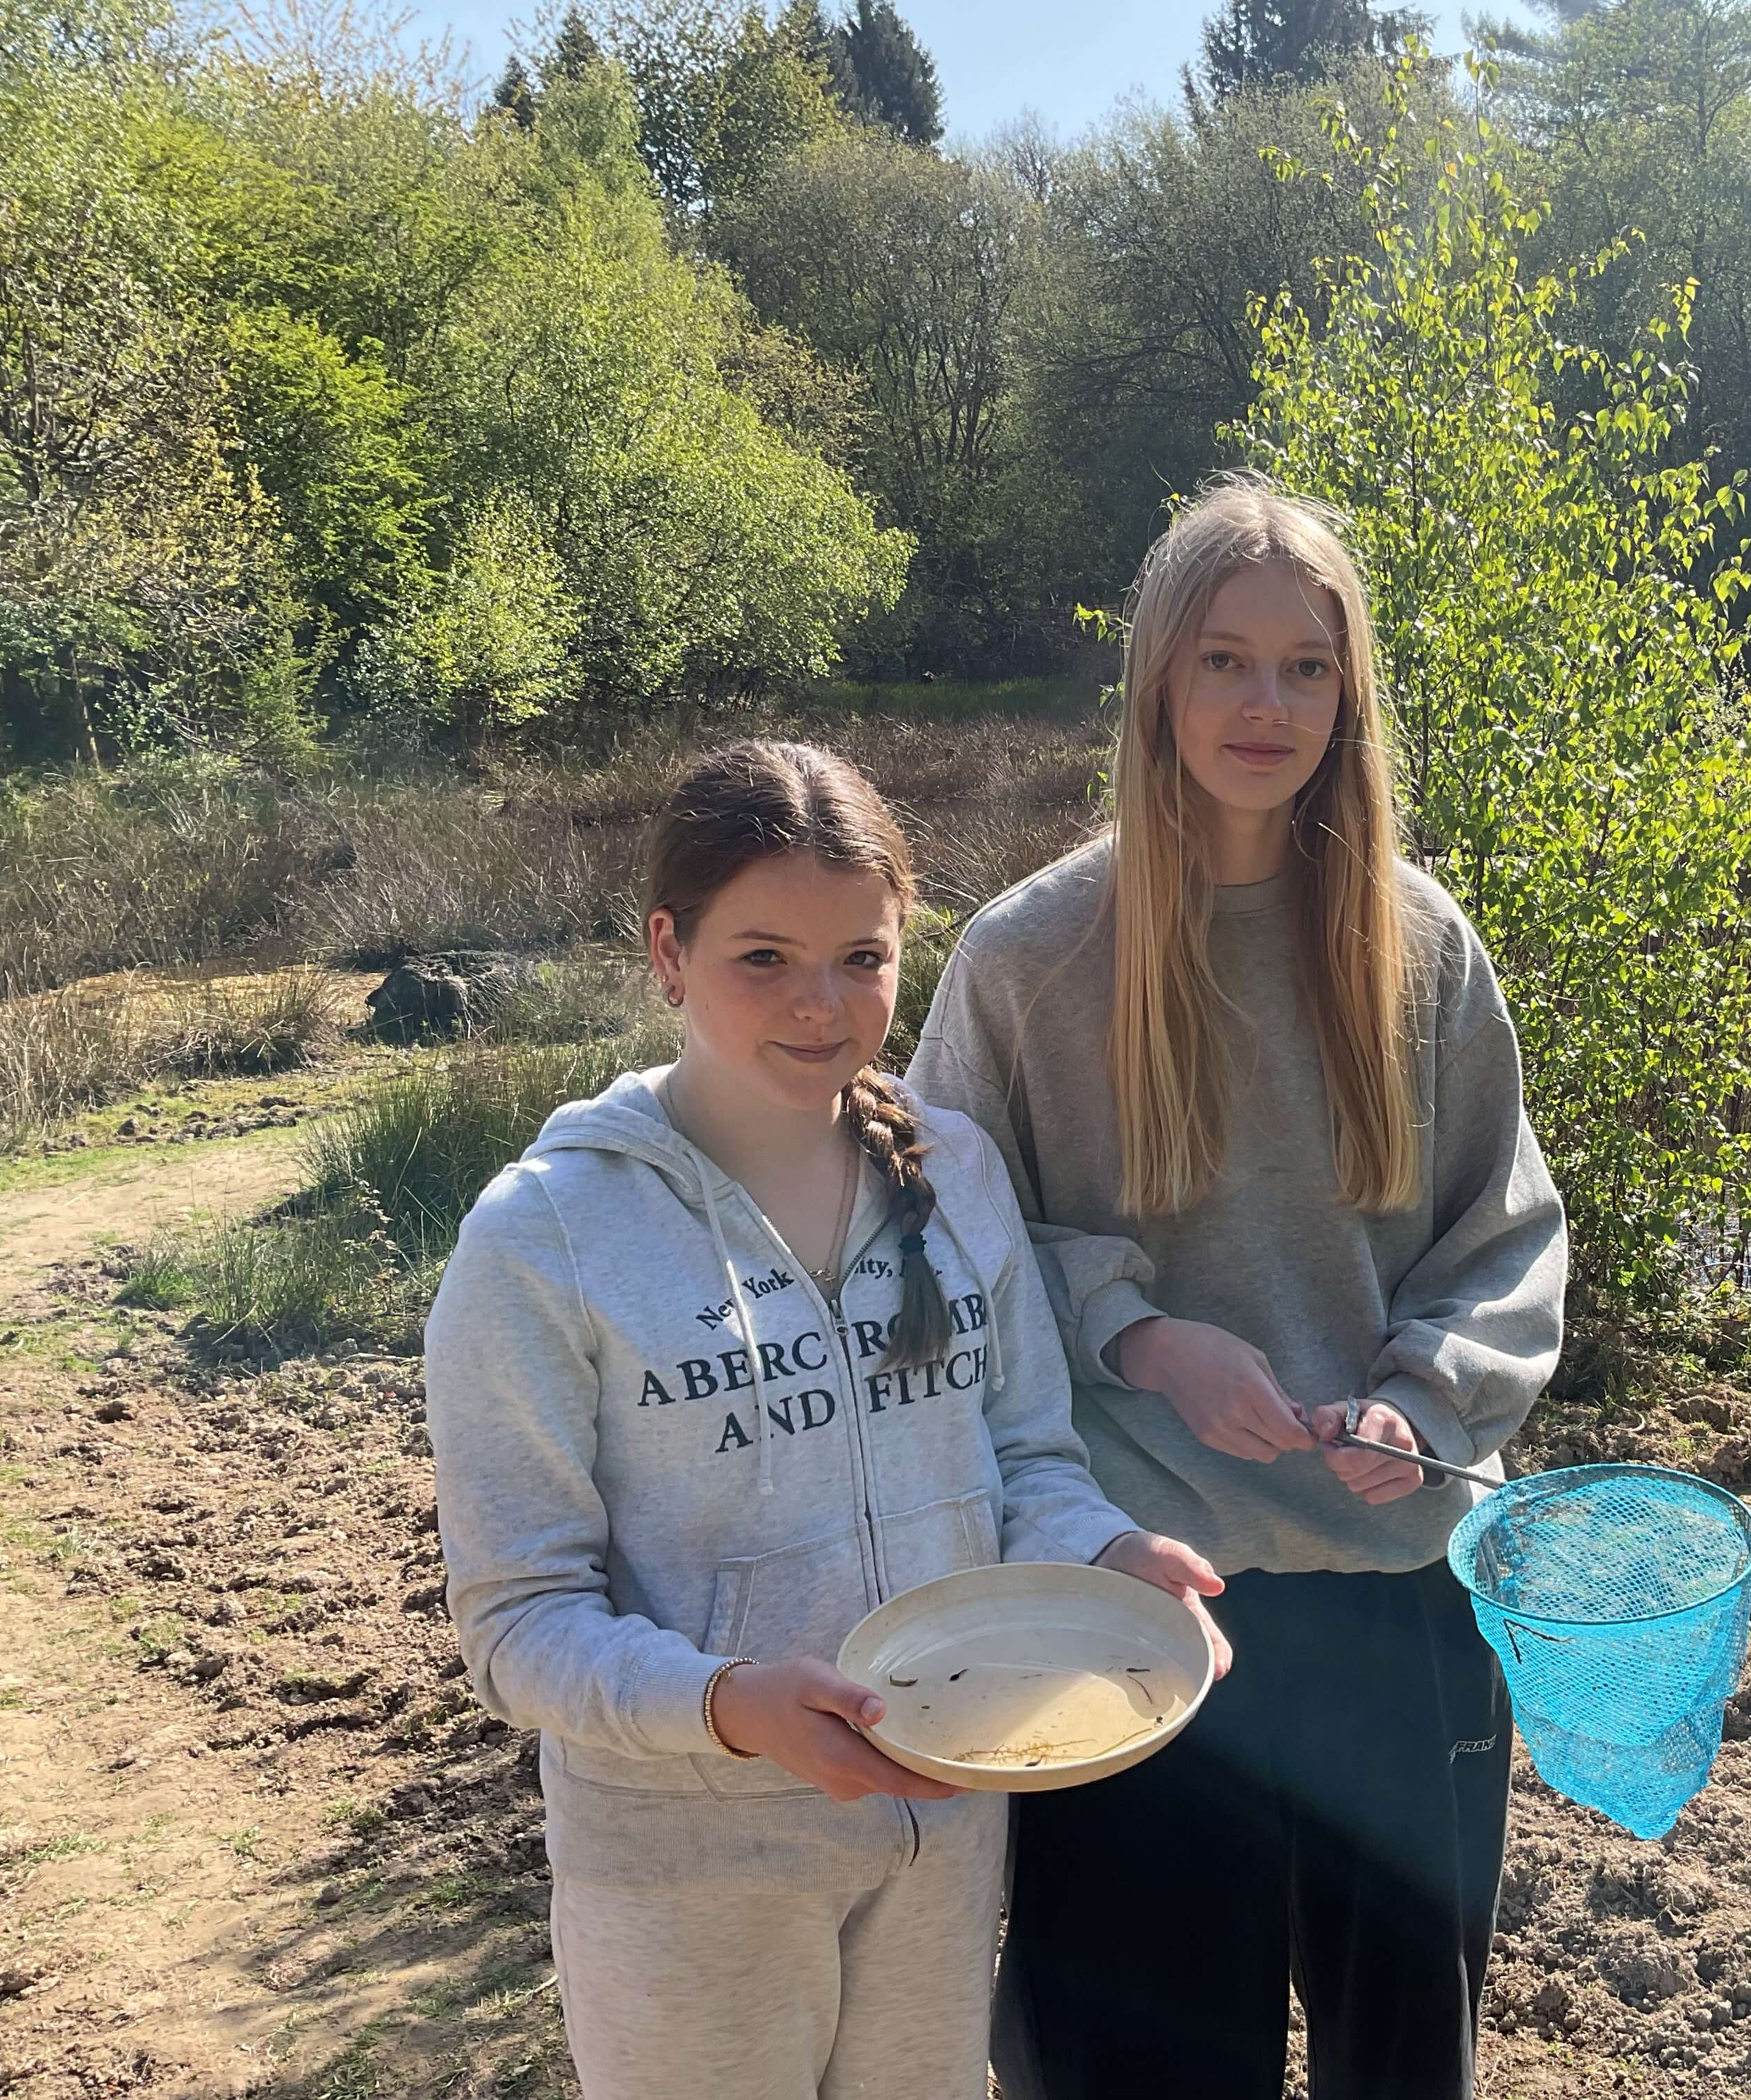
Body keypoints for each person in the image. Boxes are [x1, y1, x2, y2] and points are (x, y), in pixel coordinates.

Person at [424, 740, 1228, 2100]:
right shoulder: (547, 1236)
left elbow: (1027, 1459)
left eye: (863, 958)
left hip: (941, 1831)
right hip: (689, 1873)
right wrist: (730, 1708)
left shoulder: (956, 1173)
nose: (821, 1005)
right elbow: (517, 1624)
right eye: (764, 959)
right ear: (668, 953)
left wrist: (1104, 1556)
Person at [908, 476, 1568, 2100]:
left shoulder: (1421, 946)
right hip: (1130, 1597)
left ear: (1350, 696)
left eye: (1306, 666)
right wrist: (1138, 1335)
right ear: (1157, 679)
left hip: (1398, 1597)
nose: (1266, 704)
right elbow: (929, 1245)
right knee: (1134, 2064)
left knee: (1401, 2063)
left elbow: (1507, 1232)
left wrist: (1422, 1399)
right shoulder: (1028, 957)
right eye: (1224, 660)